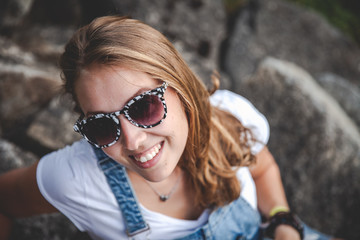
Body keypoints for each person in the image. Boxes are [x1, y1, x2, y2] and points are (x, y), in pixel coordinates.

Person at [0, 15, 337, 240]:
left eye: (144, 106)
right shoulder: (77, 179)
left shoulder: (229, 116)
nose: (132, 141)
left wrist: (282, 221)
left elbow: (262, 168)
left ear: (179, 87)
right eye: (102, 126)